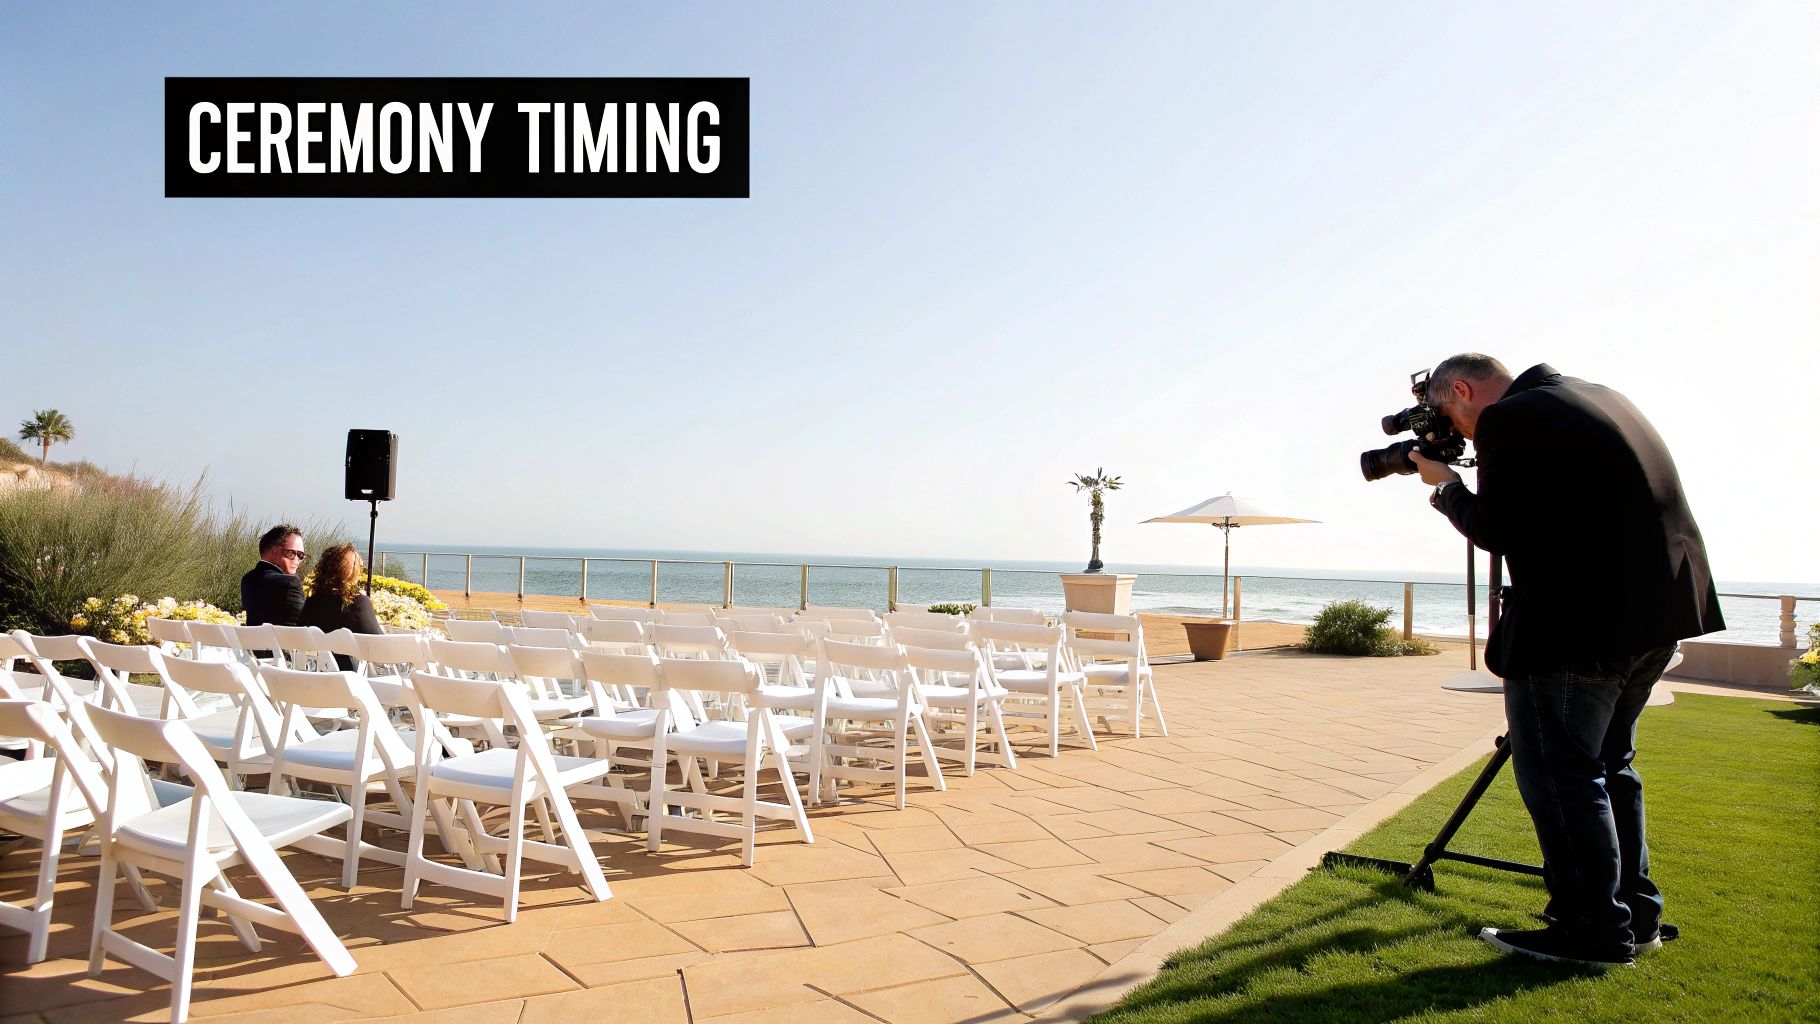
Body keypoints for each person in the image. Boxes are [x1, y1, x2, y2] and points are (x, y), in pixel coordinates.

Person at [1409, 354, 1724, 967]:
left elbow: (1499, 527)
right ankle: (1636, 918)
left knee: (1561, 775)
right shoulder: (1598, 394)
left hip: (1578, 627)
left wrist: (1446, 488)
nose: (1457, 430)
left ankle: (1592, 932)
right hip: (1659, 615)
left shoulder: (1511, 419)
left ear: (1465, 390)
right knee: (1609, 767)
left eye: (1450, 414)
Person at [299, 543, 383, 670]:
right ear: (352, 571)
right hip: (347, 675)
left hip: (315, 671)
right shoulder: (357, 603)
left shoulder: (311, 602)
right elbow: (380, 645)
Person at [242, 524, 307, 628]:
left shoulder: (247, 579)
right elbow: (305, 625)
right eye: (292, 553)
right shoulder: (290, 583)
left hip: (254, 642)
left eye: (301, 555)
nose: (297, 560)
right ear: (275, 551)